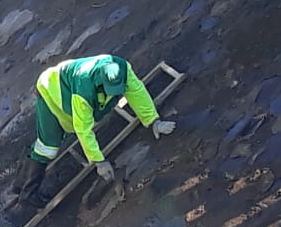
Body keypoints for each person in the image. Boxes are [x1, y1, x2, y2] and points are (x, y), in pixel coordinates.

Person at [16, 55, 175, 207]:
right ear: (101, 82)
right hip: (52, 90)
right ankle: (27, 193)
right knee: (48, 145)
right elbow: (83, 129)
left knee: (64, 132)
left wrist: (154, 121)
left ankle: (18, 186)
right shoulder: (83, 87)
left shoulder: (123, 69)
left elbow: (137, 92)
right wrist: (99, 161)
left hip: (69, 86)